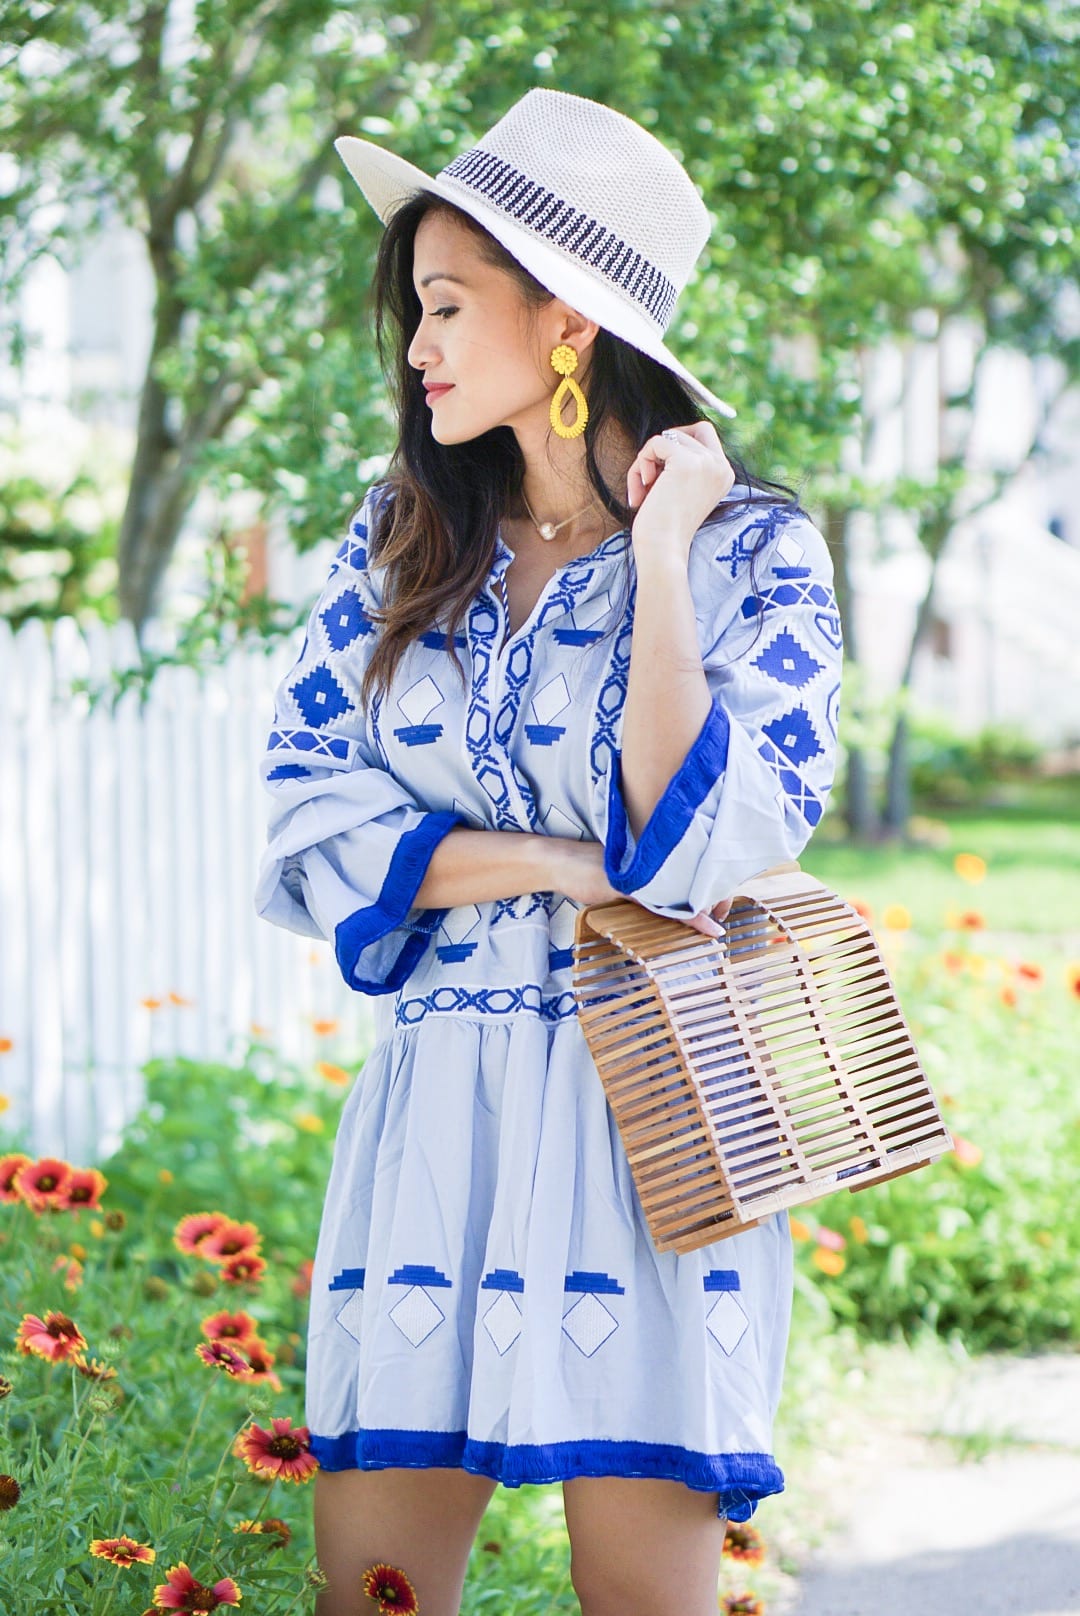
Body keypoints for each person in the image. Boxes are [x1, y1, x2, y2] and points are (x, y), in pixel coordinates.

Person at [254, 87, 842, 1616]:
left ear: (566, 323)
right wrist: (548, 863)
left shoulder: (751, 555)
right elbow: (310, 811)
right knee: (369, 1598)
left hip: (652, 1125)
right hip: (433, 1119)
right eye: (417, 312)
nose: (417, 348)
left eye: (446, 306)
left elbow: (699, 840)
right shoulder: (394, 545)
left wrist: (659, 553)